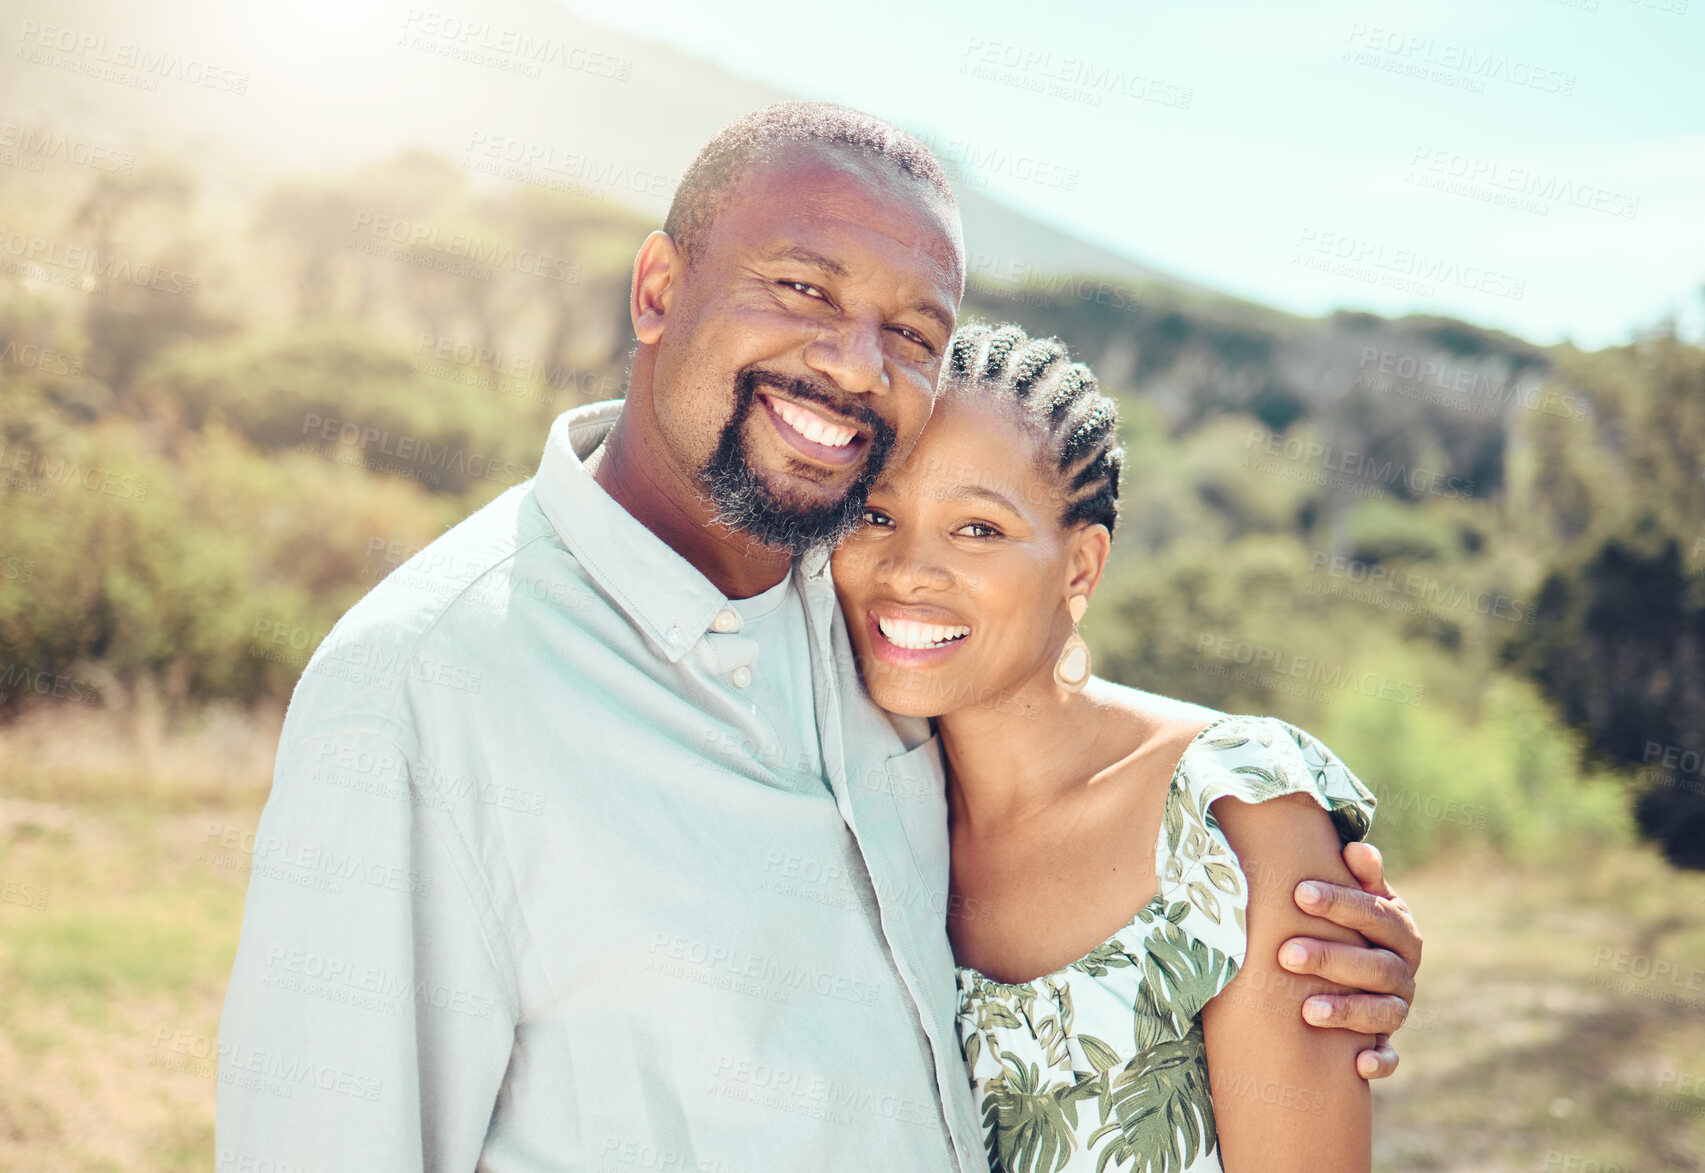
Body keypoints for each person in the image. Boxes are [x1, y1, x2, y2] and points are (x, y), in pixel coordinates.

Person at [217, 103, 1419, 1172]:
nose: (853, 365)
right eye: (801, 288)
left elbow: (1060, 747)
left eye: (911, 332)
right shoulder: (426, 691)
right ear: (655, 290)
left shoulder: (866, 626)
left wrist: (1271, 899)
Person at [832, 322, 1408, 1173]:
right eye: (877, 513)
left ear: (1080, 566)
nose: (908, 569)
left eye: (978, 529)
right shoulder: (849, 805)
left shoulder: (1229, 811)